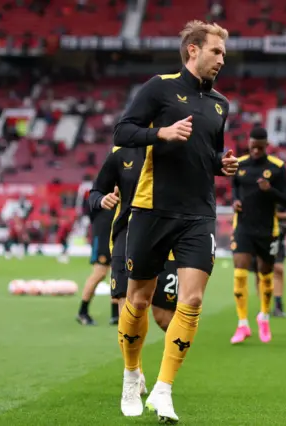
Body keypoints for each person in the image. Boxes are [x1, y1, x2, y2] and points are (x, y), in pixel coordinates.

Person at [112, 20, 239, 422]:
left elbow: (209, 154)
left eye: (223, 53)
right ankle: (132, 376)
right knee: (138, 299)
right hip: (152, 208)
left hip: (199, 212)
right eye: (216, 52)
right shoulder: (159, 87)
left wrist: (224, 165)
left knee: (194, 299)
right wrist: (161, 134)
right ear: (193, 51)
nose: (222, 59)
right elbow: (123, 131)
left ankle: (163, 389)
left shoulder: (221, 104)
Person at [88, 145, 181, 394]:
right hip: (125, 237)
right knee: (128, 307)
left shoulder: (175, 147)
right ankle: (134, 372)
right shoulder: (121, 152)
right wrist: (101, 199)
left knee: (164, 317)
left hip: (164, 237)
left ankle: (165, 374)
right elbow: (95, 191)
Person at [229, 127, 286, 344]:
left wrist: (269, 190)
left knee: (265, 275)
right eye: (252, 146)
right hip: (243, 227)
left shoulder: (277, 168)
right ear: (249, 143)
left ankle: (264, 317)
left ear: (266, 146)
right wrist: (235, 201)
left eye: (259, 147)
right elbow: (235, 188)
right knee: (239, 273)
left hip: (267, 229)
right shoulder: (240, 164)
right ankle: (242, 324)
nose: (255, 150)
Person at [76, 206, 113, 326]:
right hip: (103, 234)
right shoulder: (102, 191)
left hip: (115, 233)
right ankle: (82, 311)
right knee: (100, 273)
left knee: (117, 273)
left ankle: (116, 314)